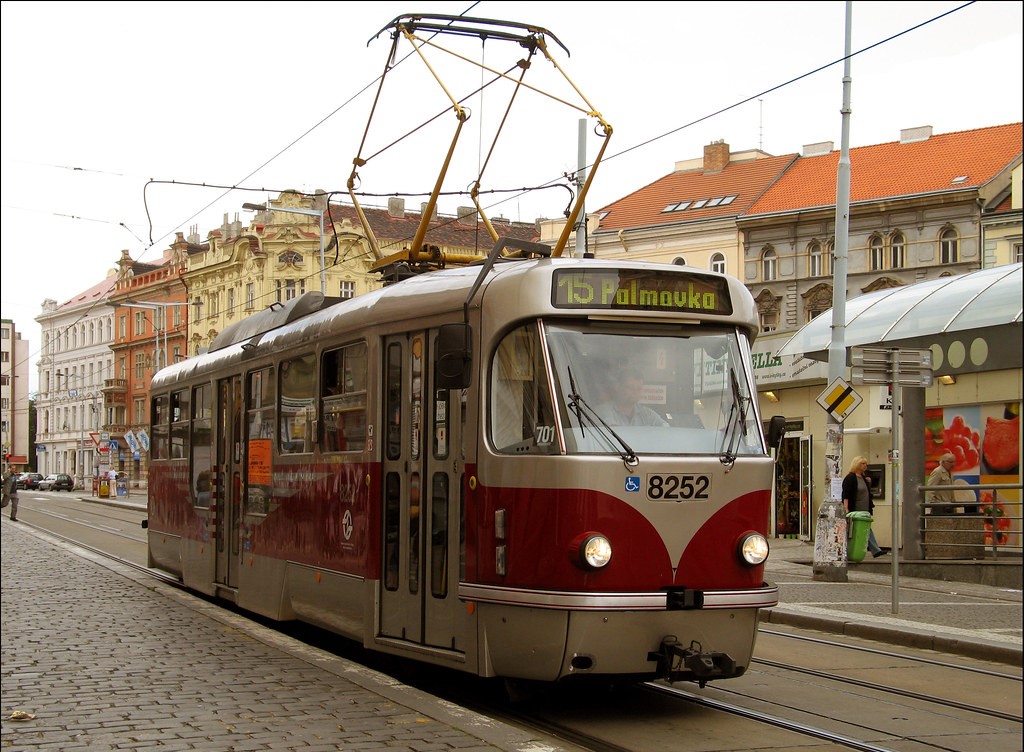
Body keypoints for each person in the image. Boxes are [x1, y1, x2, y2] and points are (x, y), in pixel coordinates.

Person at [841, 456, 888, 558]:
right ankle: (875, 550)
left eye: (866, 464)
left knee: (865, 528)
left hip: (865, 508)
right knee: (861, 529)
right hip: (855, 508)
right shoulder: (851, 478)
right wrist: (846, 507)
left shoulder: (863, 478)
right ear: (857, 465)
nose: (865, 466)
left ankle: (875, 550)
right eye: (862, 464)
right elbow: (846, 494)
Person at [595, 367, 668, 427]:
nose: (635, 392)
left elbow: (666, 429)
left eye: (639, 389)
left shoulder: (647, 414)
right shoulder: (602, 412)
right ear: (618, 387)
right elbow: (614, 432)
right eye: (630, 387)